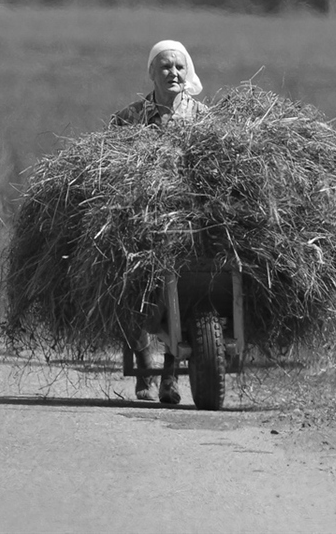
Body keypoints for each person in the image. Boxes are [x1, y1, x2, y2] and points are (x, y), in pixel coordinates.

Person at [110, 40, 208, 404]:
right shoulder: (128, 118)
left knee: (188, 292)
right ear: (151, 72)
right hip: (142, 216)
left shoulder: (202, 118)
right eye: (165, 67)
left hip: (187, 218)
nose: (173, 73)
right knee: (136, 290)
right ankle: (145, 370)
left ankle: (170, 376)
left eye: (180, 67)